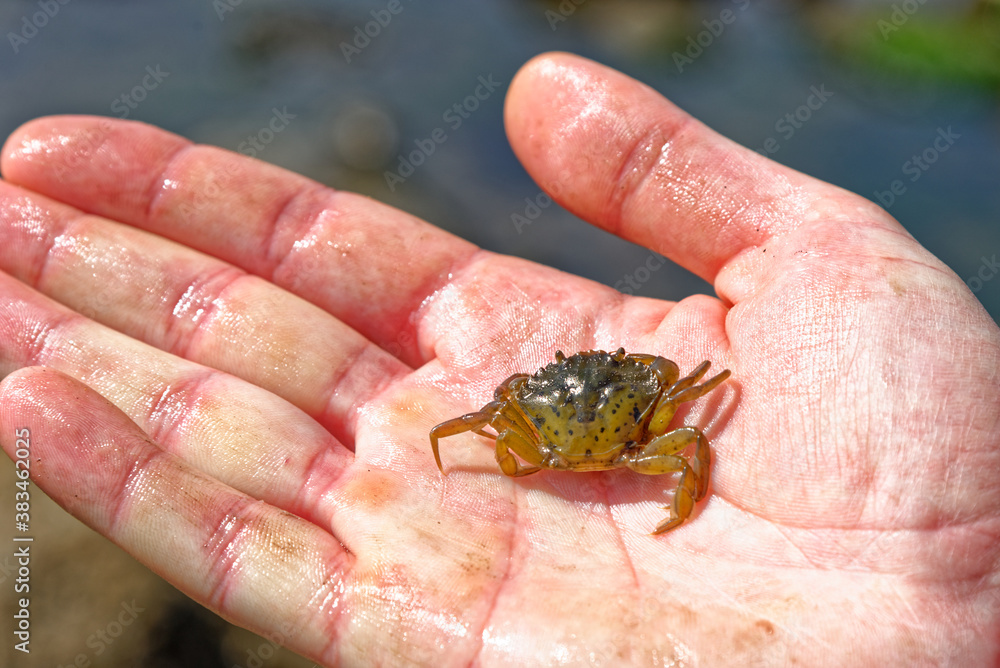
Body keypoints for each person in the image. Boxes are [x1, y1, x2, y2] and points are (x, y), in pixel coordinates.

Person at [0, 52, 997, 666]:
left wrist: (961, 577)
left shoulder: (574, 415)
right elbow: (682, 429)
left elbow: (674, 422)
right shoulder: (629, 415)